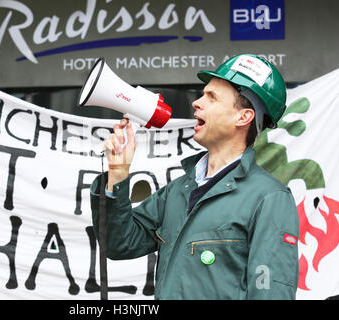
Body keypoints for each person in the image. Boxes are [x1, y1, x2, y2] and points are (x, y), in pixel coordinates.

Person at [90, 54, 299, 299]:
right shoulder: (177, 191)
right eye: (202, 95)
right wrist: (117, 174)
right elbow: (119, 243)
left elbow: (270, 292)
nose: (196, 103)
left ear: (243, 117)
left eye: (211, 97)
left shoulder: (269, 198)